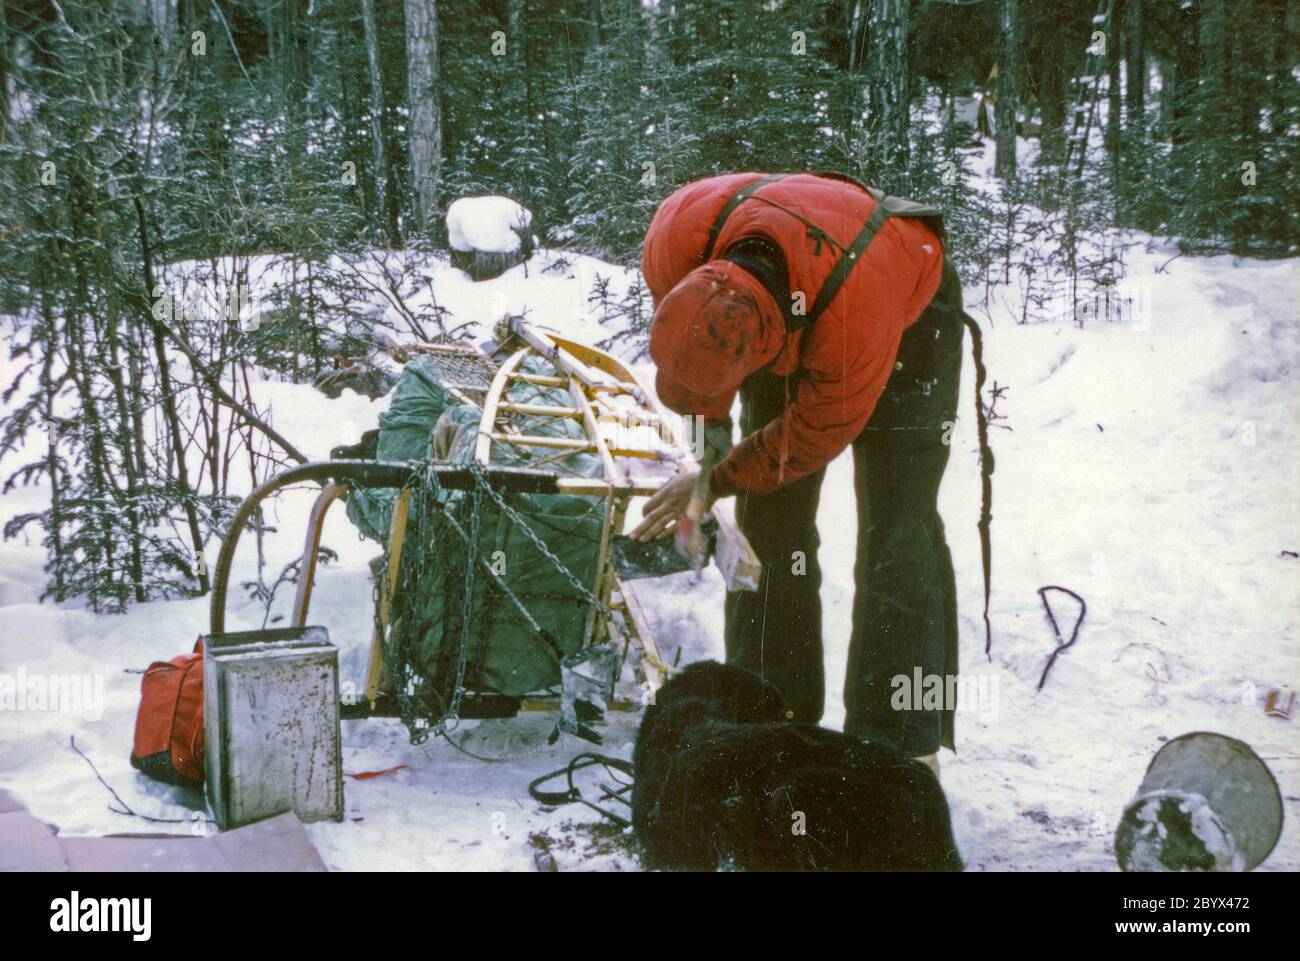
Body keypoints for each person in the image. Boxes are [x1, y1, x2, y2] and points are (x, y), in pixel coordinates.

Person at [630, 171, 969, 771]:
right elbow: (701, 369)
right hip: (799, 285)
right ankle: (767, 717)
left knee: (900, 525)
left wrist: (716, 481)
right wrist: (708, 462)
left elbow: (805, 440)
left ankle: (895, 750)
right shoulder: (676, 241)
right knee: (767, 522)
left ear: (769, 343)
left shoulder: (851, 331)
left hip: (901, 296)